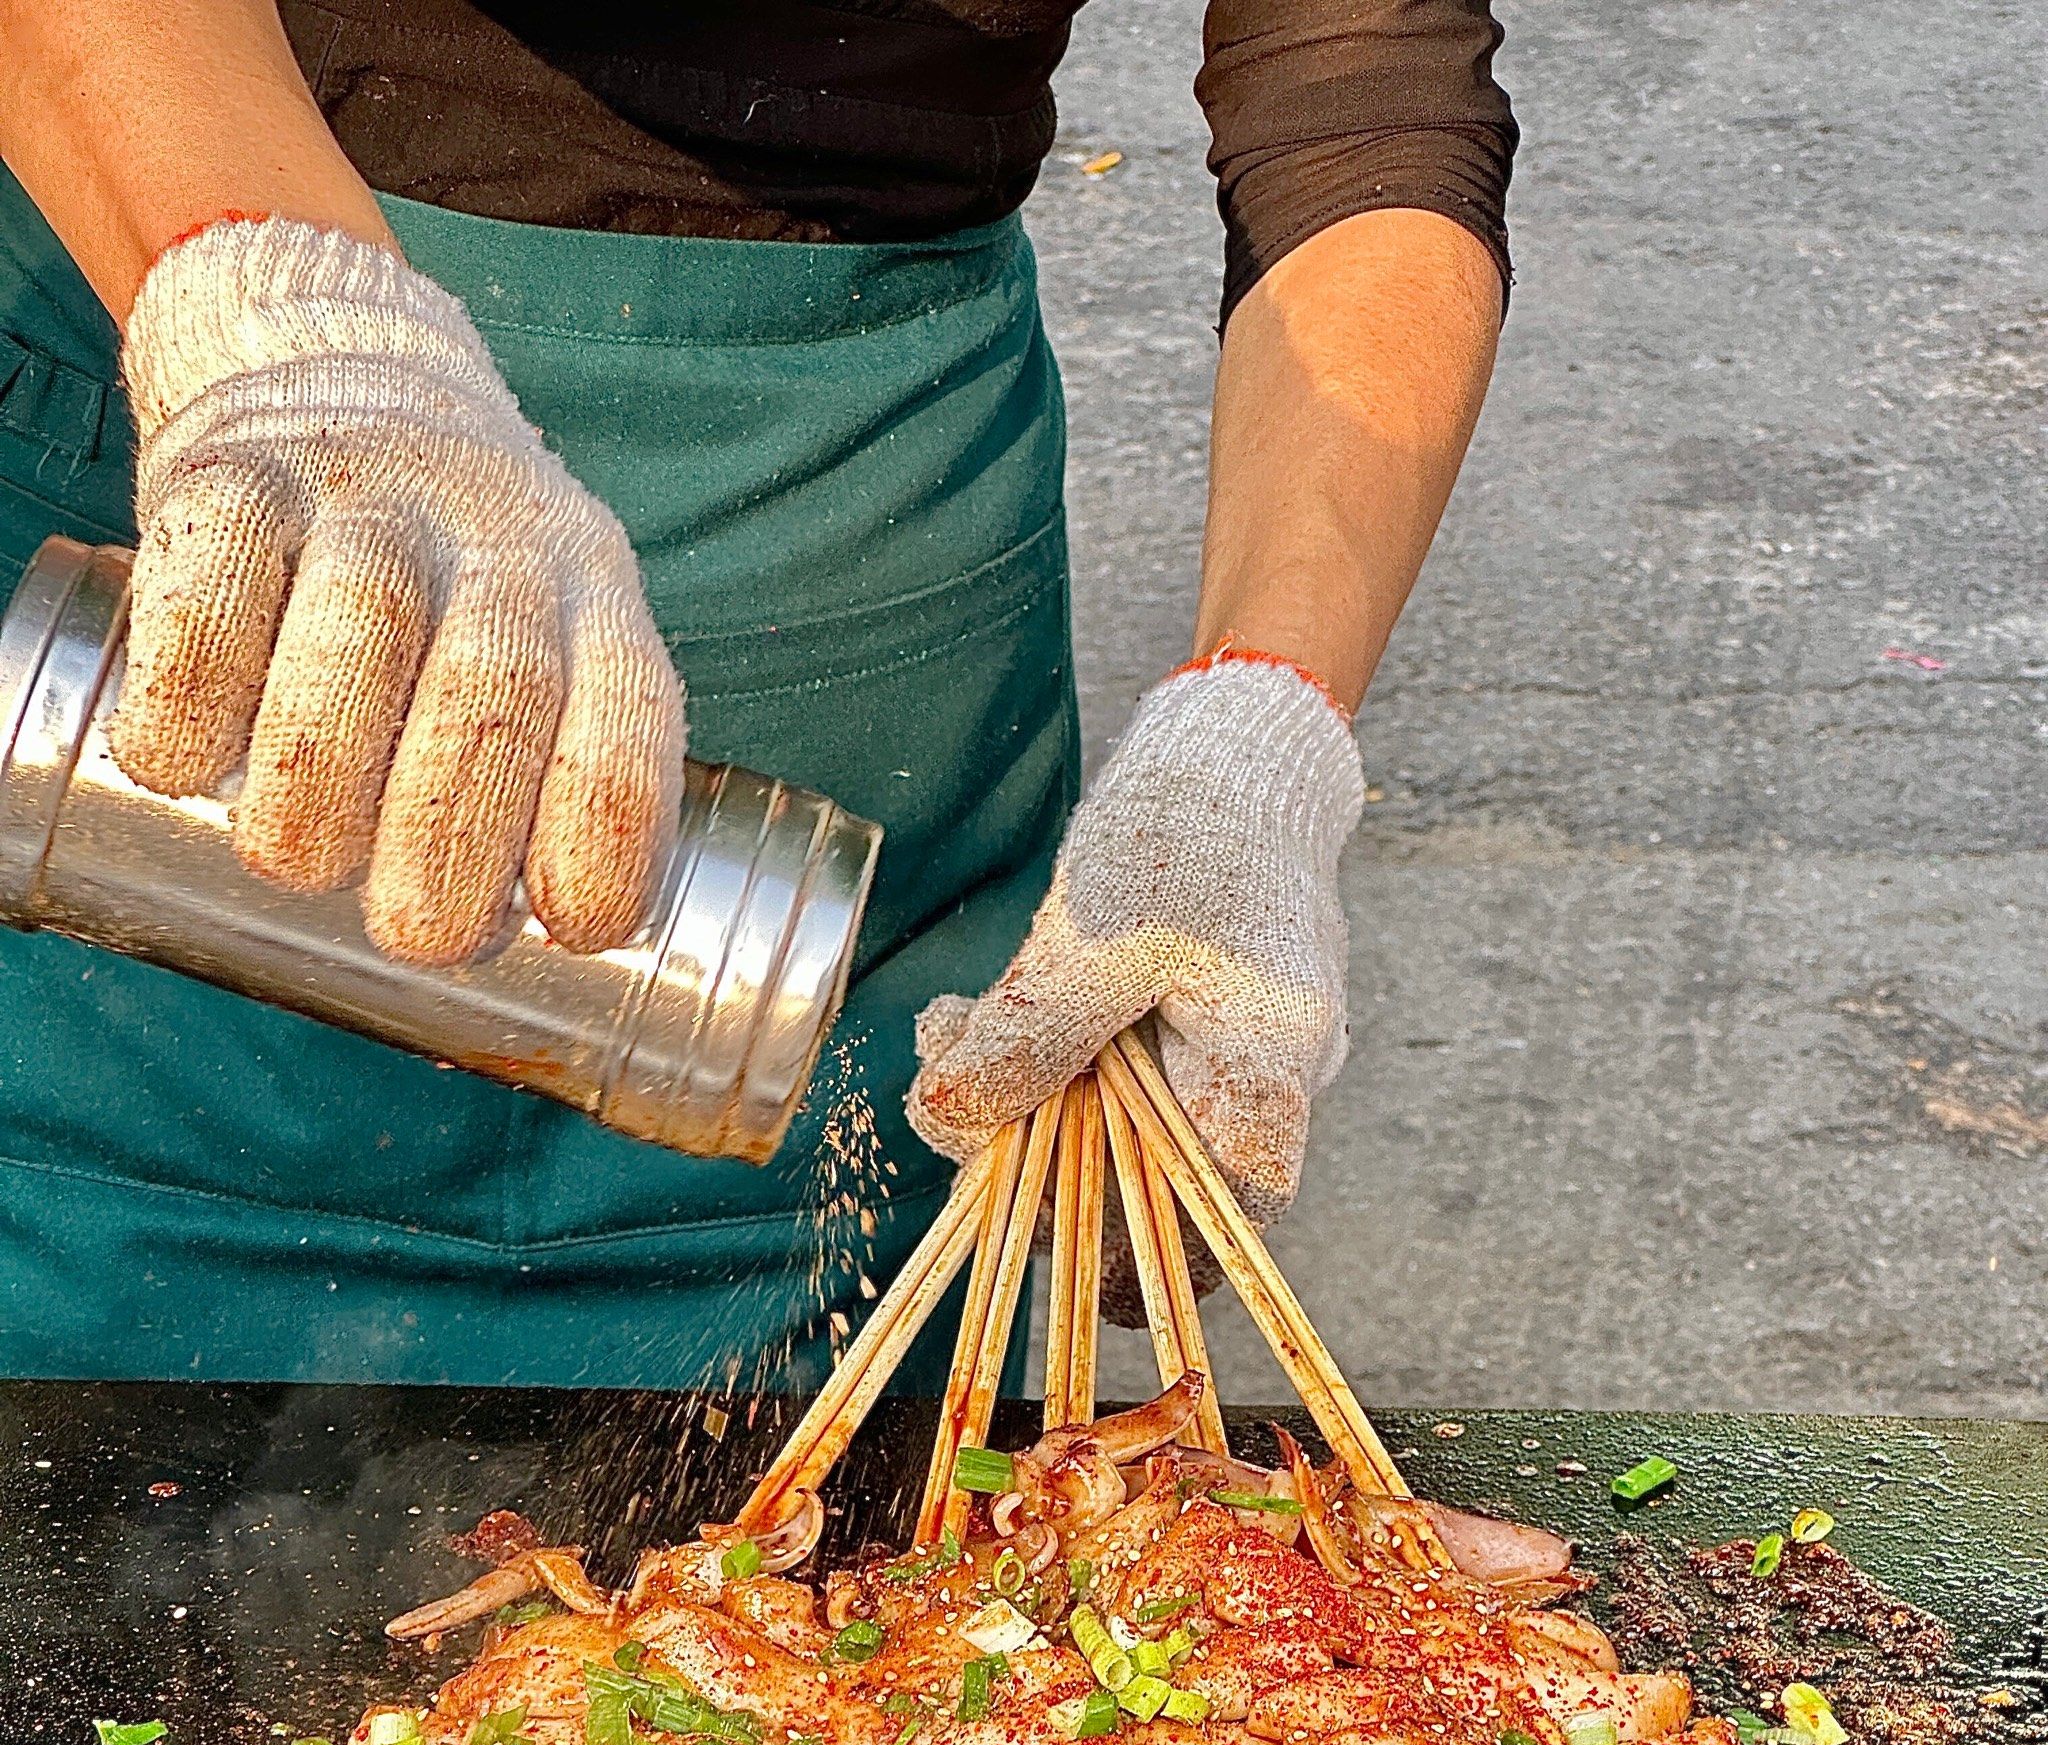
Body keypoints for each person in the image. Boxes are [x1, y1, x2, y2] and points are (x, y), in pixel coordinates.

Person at [0, 0, 1512, 1388]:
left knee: (880, 1601)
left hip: (856, 647)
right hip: (221, 536)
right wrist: (290, 332)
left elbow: (1361, 93)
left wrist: (1258, 722)